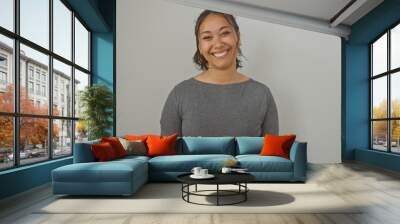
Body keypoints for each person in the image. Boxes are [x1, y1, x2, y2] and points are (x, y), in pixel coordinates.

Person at [160, 10, 278, 137]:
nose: (218, 44)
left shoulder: (261, 94)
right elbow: (167, 155)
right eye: (207, 37)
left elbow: (272, 156)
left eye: (225, 33)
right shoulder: (179, 95)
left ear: (237, 36)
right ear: (199, 46)